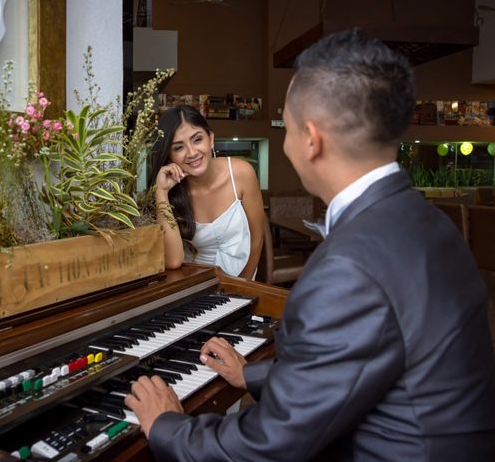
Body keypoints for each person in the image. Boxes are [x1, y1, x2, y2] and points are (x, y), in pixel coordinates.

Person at [125, 28, 495, 461]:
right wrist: (253, 376)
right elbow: (356, 363)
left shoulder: (345, 270)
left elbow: (270, 445)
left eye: (287, 124)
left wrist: (169, 426)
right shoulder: (431, 222)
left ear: (312, 139)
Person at [148, 104, 265, 279]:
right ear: (169, 156)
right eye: (178, 147)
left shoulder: (242, 173)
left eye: (197, 140)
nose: (192, 152)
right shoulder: (173, 194)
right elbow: (173, 261)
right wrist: (161, 192)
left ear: (210, 139)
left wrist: (243, 287)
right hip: (197, 286)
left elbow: (257, 240)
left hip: (244, 282)